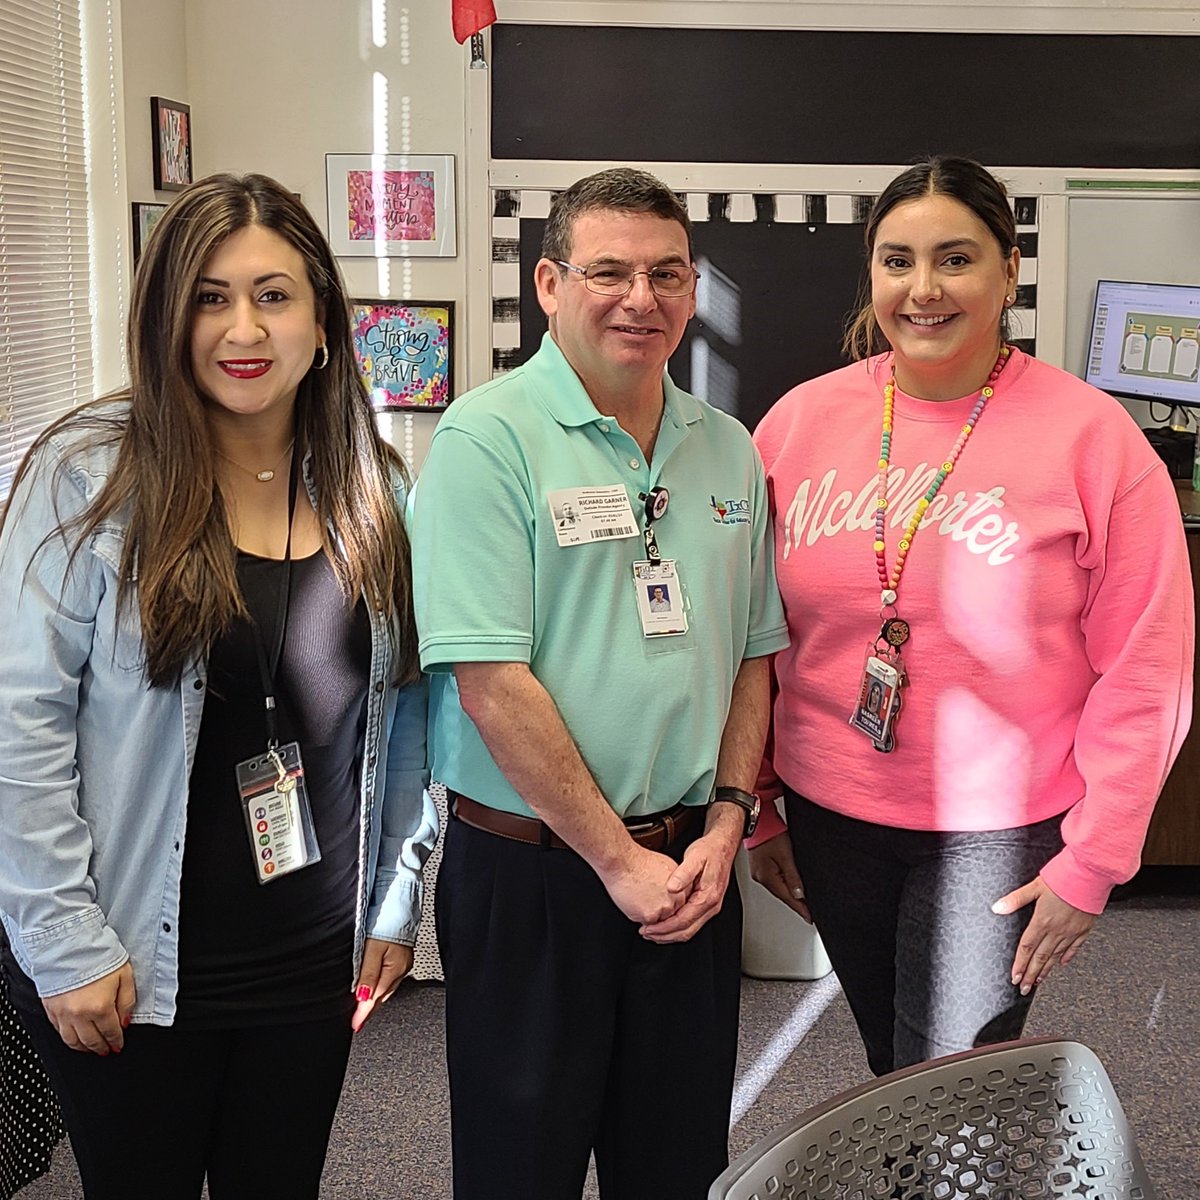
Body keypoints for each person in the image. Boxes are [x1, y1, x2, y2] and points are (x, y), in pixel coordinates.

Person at [0, 173, 437, 1199]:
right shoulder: (87, 476)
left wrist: (394, 900)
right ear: (165, 317)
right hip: (133, 961)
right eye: (208, 296)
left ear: (322, 318)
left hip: (309, 958)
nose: (243, 327)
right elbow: (20, 727)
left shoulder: (375, 484)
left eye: (274, 294)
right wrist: (64, 944)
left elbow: (409, 711)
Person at [747, 156, 1193, 1077]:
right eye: (897, 260)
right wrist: (757, 805)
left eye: (955, 258)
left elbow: (1147, 666)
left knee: (949, 1083)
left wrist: (1097, 856)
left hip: (1001, 830)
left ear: (1008, 270)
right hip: (834, 814)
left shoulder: (1091, 437)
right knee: (893, 1068)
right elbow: (750, 637)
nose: (923, 289)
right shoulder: (796, 425)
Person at [411, 167, 788, 1198]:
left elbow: (753, 654)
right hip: (538, 880)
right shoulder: (487, 440)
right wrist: (617, 859)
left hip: (690, 872)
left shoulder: (729, 451)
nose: (642, 297)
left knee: (675, 1171)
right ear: (548, 282)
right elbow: (490, 681)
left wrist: (726, 819)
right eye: (609, 271)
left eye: (667, 273)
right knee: (518, 1170)